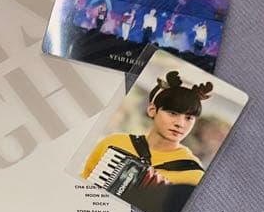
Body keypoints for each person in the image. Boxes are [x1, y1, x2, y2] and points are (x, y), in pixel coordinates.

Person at [82, 70, 212, 187]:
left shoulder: (194, 176)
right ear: (152, 110)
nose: (180, 124)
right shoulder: (114, 142)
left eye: (189, 118)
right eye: (173, 113)